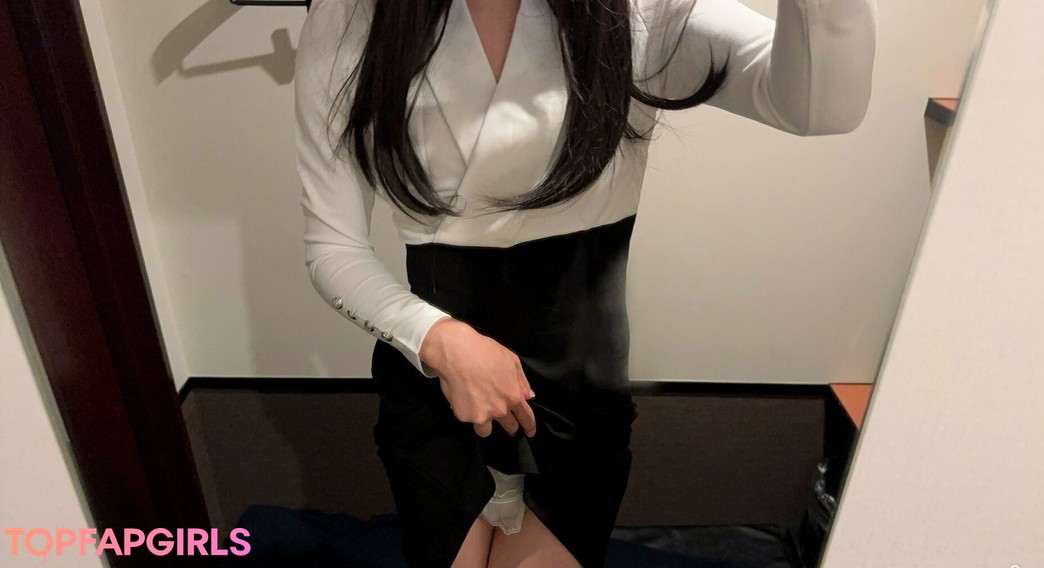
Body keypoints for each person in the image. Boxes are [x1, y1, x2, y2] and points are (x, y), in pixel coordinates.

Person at [294, 0, 875, 565]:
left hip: (577, 398)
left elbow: (819, 107)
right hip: (434, 381)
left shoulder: (639, 12)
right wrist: (442, 340)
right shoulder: (354, 15)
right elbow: (333, 248)